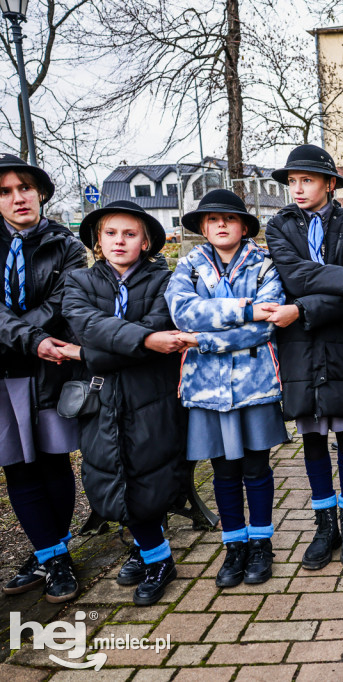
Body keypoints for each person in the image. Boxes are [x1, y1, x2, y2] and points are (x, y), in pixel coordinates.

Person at [265, 144, 343, 570]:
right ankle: (324, 526)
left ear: (329, 184)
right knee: (313, 436)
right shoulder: (278, 227)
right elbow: (292, 275)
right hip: (299, 345)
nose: (298, 189)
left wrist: (304, 306)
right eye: (293, 182)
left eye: (307, 180)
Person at [60, 200, 187, 605]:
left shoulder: (166, 280)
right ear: (98, 240)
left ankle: (158, 557)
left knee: (150, 470)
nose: (119, 241)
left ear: (146, 241)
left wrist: (85, 353)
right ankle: (146, 546)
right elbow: (86, 324)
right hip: (103, 397)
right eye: (111, 233)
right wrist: (142, 341)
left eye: (129, 234)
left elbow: (158, 328)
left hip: (152, 393)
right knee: (112, 470)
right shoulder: (79, 282)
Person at [166, 189, 288, 587]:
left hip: (254, 384)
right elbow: (184, 312)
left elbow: (267, 325)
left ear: (244, 226)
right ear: (202, 227)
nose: (221, 224)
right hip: (206, 389)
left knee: (255, 466)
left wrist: (203, 340)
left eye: (229, 218)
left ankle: (261, 543)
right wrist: (244, 309)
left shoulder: (266, 265)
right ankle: (233, 544)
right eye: (212, 219)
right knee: (222, 470)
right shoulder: (188, 266)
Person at [0, 154, 87, 602]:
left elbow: (64, 302)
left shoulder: (65, 243)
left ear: (40, 193)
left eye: (25, 188)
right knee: (17, 463)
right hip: (5, 372)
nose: (17, 198)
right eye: (5, 191)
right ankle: (53, 559)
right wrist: (28, 339)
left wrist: (26, 338)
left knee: (53, 460)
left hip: (49, 369)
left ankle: (53, 554)